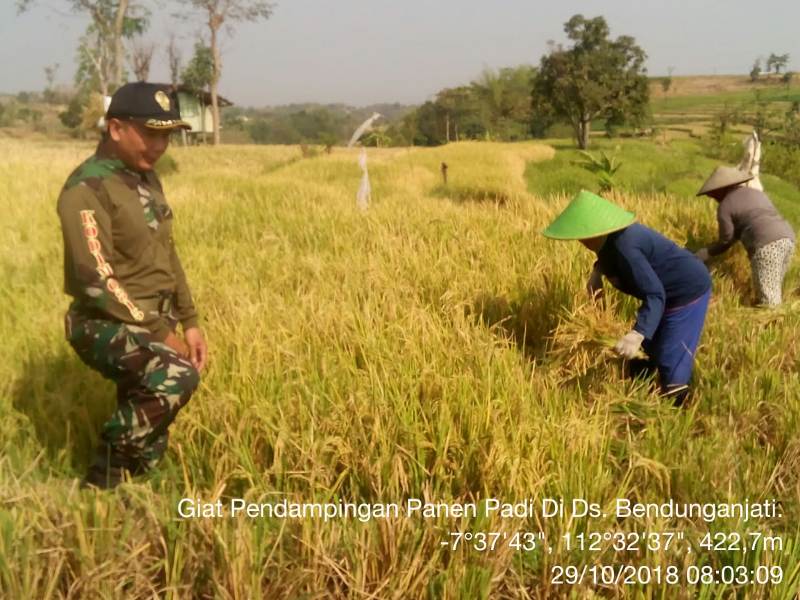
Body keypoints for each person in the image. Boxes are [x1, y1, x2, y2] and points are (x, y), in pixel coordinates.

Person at [57, 82, 208, 488]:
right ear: (116, 128)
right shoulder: (86, 188)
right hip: (101, 322)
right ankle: (102, 474)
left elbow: (167, 255)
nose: (160, 145)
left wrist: (189, 320)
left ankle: (135, 481)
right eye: (151, 133)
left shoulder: (144, 178)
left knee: (149, 439)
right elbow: (95, 280)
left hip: (149, 318)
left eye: (167, 135)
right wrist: (160, 333)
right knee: (175, 373)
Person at [543, 191, 712, 405]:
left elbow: (655, 294)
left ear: (596, 230)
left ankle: (680, 416)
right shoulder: (609, 242)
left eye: (584, 235)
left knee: (670, 362)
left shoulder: (626, 246)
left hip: (686, 291)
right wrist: (597, 274)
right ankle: (637, 402)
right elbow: (608, 259)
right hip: (663, 295)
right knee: (642, 357)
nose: (581, 241)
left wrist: (637, 333)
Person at [695, 166, 795, 306]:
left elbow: (726, 239)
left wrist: (705, 253)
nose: (713, 198)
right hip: (787, 238)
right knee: (774, 289)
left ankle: (771, 323)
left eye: (713, 194)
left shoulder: (725, 206)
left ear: (720, 190)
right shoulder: (756, 193)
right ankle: (777, 324)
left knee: (769, 300)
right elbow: (755, 219)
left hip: (767, 245)